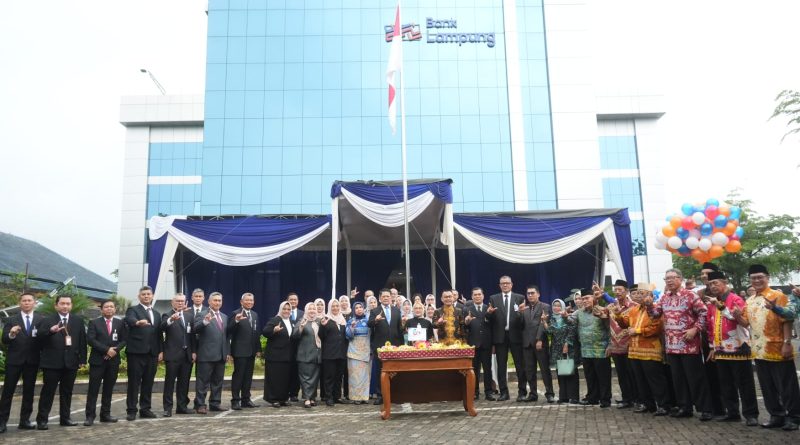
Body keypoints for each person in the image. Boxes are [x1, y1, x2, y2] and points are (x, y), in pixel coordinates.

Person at [734, 264, 800, 430]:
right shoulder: (749, 300)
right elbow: (746, 323)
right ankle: (776, 415)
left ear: (767, 277)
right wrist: (736, 316)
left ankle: (794, 417)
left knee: (786, 386)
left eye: (760, 277)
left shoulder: (777, 295)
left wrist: (787, 343)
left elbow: (787, 320)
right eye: (753, 278)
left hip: (778, 347)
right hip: (758, 350)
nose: (756, 280)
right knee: (767, 386)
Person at [645, 268, 713, 421]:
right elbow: (656, 315)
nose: (669, 281)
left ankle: (705, 409)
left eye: (672, 278)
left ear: (680, 279)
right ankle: (685, 407)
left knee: (695, 378)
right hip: (671, 345)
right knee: (678, 379)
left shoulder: (691, 295)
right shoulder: (664, 297)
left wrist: (695, 329)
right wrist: (649, 306)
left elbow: (704, 312)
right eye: (666, 278)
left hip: (689, 344)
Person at [704, 271, 759, 426]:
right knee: (726, 384)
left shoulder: (736, 299)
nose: (713, 286)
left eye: (716, 283)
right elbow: (710, 325)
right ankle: (732, 412)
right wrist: (712, 347)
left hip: (738, 348)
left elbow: (738, 320)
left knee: (745, 384)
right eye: (710, 284)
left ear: (725, 282)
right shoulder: (713, 303)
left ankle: (751, 414)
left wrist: (719, 305)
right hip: (720, 349)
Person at [612, 284, 669, 416]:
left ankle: (663, 405)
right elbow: (624, 324)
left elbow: (657, 328)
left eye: (642, 293)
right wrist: (618, 315)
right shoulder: (634, 309)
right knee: (640, 380)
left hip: (650, 350)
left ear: (650, 296)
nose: (638, 296)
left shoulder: (656, 309)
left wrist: (637, 331)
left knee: (655, 380)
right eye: (637, 293)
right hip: (634, 351)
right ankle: (647, 404)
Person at [35, 293, 87, 429]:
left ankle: (65, 418)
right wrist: (51, 331)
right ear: (56, 305)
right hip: (52, 362)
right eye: (62, 303)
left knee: (67, 392)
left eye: (68, 304)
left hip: (71, 362)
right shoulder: (47, 320)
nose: (65, 306)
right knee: (48, 392)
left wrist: (82, 359)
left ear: (71, 305)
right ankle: (42, 420)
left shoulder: (77, 320)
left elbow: (82, 340)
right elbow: (39, 338)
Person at [0, 292, 42, 433]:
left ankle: (24, 421)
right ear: (20, 303)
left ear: (34, 303)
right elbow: (5, 339)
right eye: (24, 300)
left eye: (29, 300)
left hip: (32, 361)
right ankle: (2, 422)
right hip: (14, 361)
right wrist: (11, 333)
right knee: (8, 392)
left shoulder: (40, 319)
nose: (27, 303)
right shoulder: (12, 320)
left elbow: (45, 339)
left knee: (29, 392)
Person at [84, 300, 127, 425]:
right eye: (106, 307)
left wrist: (116, 350)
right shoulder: (94, 322)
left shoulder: (120, 323)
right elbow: (91, 340)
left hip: (113, 361)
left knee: (108, 389)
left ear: (115, 309)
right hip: (97, 361)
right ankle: (90, 416)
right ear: (101, 310)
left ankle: (105, 414)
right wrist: (106, 350)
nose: (109, 309)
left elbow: (124, 339)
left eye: (111, 307)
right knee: (93, 389)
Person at [570, 288, 612, 408]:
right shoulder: (579, 312)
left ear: (594, 298)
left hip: (601, 350)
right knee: (590, 376)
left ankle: (605, 399)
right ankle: (592, 397)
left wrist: (610, 344)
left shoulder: (602, 310)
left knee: (603, 377)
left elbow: (609, 328)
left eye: (587, 298)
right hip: (586, 350)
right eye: (582, 299)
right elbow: (569, 321)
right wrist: (564, 316)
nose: (584, 300)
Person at [124, 285, 161, 421]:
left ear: (152, 296)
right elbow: (129, 320)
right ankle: (131, 410)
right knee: (134, 382)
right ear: (139, 296)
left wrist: (160, 351)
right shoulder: (133, 310)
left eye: (148, 294)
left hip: (152, 353)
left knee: (148, 382)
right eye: (143, 294)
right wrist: (137, 322)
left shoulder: (156, 314)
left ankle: (145, 409)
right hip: (136, 352)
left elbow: (158, 334)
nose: (146, 296)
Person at [487, 275, 526, 402]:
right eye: (502, 283)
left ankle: (522, 392)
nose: (505, 285)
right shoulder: (493, 298)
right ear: (499, 285)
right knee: (501, 366)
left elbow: (523, 320)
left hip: (516, 336)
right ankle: (504, 392)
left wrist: (521, 313)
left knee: (520, 365)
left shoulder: (519, 298)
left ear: (511, 284)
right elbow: (490, 321)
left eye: (507, 283)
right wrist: (489, 314)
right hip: (500, 337)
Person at [516, 285, 554, 403]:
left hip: (540, 343)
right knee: (529, 370)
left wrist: (539, 339)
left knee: (544, 370)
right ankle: (533, 394)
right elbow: (520, 325)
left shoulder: (545, 306)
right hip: (527, 344)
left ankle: (549, 393)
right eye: (528, 293)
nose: (530, 295)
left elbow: (543, 324)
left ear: (538, 294)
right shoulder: (524, 308)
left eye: (532, 293)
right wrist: (519, 313)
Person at [603, 280, 637, 409]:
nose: (617, 292)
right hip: (615, 346)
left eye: (620, 290)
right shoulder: (611, 306)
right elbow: (601, 315)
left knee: (632, 374)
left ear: (627, 291)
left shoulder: (634, 306)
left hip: (630, 345)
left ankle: (636, 398)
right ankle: (626, 398)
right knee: (621, 375)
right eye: (615, 290)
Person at [193, 292, 229, 414]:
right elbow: (195, 328)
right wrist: (205, 322)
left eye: (219, 300)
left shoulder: (224, 316)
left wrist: (227, 352)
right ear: (209, 302)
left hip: (221, 355)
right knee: (202, 382)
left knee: (218, 382)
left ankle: (215, 403)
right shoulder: (202, 314)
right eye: (215, 300)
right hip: (206, 355)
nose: (217, 302)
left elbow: (225, 336)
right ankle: (200, 404)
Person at [160, 293, 195, 417]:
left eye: (182, 301)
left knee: (184, 383)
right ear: (172, 302)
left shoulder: (189, 316)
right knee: (169, 383)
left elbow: (192, 337)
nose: (180, 303)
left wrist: (194, 352)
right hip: (172, 355)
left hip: (186, 355)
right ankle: (167, 408)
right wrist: (171, 320)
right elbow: (162, 327)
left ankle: (182, 406)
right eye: (178, 301)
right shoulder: (167, 315)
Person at [698, 262, 726, 418]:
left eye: (707, 273)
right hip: (705, 339)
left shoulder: (724, 294)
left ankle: (727, 408)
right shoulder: (700, 294)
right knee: (708, 374)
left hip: (724, 339)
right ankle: (712, 408)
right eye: (702, 274)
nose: (704, 276)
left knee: (723, 375)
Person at [368, 289, 404, 405]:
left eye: (388, 296)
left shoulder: (396, 310)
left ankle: (395, 394)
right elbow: (369, 324)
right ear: (379, 298)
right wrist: (375, 320)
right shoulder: (374, 311)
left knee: (394, 370)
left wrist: (401, 345)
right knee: (380, 371)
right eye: (383, 296)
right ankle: (380, 395)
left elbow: (399, 329)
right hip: (379, 346)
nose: (386, 298)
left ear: (391, 298)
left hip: (395, 345)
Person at [228, 292, 261, 410]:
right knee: (239, 376)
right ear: (241, 302)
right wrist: (236, 321)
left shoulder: (255, 315)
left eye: (251, 300)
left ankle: (246, 399)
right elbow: (229, 330)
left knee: (248, 376)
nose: (249, 302)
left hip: (251, 351)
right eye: (247, 300)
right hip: (240, 351)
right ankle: (235, 400)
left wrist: (258, 349)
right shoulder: (235, 313)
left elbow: (256, 333)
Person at [543, 298, 579, 404]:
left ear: (562, 307)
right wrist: (544, 321)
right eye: (554, 305)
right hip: (557, 349)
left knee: (570, 372)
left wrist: (567, 343)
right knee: (561, 373)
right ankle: (564, 396)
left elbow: (573, 329)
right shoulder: (552, 318)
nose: (556, 307)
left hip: (568, 348)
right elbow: (549, 331)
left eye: (559, 305)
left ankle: (574, 397)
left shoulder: (567, 317)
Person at [262, 301, 293, 408]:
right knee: (274, 378)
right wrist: (274, 330)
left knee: (284, 378)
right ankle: (273, 399)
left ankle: (283, 398)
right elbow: (265, 332)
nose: (286, 311)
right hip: (275, 356)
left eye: (288, 309)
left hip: (286, 356)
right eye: (284, 309)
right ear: (280, 309)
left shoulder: (290, 321)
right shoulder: (275, 319)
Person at [464, 287, 494, 401]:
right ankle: (475, 392)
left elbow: (493, 326)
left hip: (487, 344)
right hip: (473, 344)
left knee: (487, 369)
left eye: (479, 294)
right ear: (472, 297)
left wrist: (494, 344)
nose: (477, 296)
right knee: (474, 370)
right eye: (475, 295)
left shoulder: (488, 308)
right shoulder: (467, 309)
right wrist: (467, 321)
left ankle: (488, 392)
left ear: (483, 296)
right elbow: (465, 327)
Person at [319, 299, 348, 406]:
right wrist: (323, 326)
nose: (335, 308)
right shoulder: (326, 319)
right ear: (329, 307)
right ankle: (329, 397)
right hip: (329, 354)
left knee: (339, 376)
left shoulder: (343, 320)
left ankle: (337, 396)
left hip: (341, 353)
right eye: (333, 306)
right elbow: (321, 336)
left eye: (337, 306)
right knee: (329, 377)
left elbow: (346, 337)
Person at [293, 303, 322, 408]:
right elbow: (295, 336)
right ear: (306, 310)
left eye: (314, 309)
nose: (312, 310)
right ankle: (307, 398)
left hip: (317, 354)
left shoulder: (319, 321)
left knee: (314, 378)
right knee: (305, 378)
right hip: (304, 355)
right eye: (310, 309)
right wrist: (301, 327)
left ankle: (313, 397)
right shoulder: (302, 321)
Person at [345, 302, 371, 404]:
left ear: (364, 309)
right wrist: (352, 327)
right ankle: (356, 398)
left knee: (365, 376)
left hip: (365, 351)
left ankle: (364, 397)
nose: (359, 309)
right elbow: (347, 335)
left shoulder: (368, 321)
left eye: (361, 307)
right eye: (356, 308)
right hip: (353, 352)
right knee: (355, 376)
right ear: (353, 310)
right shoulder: (351, 321)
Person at [286, 292, 303, 402]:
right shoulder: (284, 312)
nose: (293, 301)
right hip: (286, 347)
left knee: (296, 370)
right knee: (287, 371)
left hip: (299, 346)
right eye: (291, 299)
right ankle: (285, 392)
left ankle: (294, 394)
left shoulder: (303, 313)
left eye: (295, 299)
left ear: (298, 301)